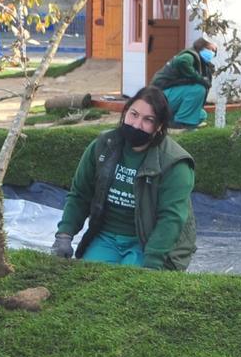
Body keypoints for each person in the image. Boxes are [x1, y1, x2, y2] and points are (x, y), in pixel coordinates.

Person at [51, 86, 197, 269]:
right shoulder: (103, 147)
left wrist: (152, 264)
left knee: (131, 286)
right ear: (125, 111)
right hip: (107, 237)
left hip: (145, 240)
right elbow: (80, 194)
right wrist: (64, 235)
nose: (136, 124)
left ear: (159, 126)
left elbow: (171, 218)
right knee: (90, 281)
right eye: (133, 114)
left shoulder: (175, 163)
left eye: (148, 120)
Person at [152, 38, 217, 129]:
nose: (212, 53)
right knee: (198, 89)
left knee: (201, 114)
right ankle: (182, 124)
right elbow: (182, 61)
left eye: (214, 51)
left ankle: (169, 123)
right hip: (158, 97)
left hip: (169, 97)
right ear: (201, 47)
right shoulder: (189, 56)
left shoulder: (202, 63)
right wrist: (199, 78)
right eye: (210, 49)